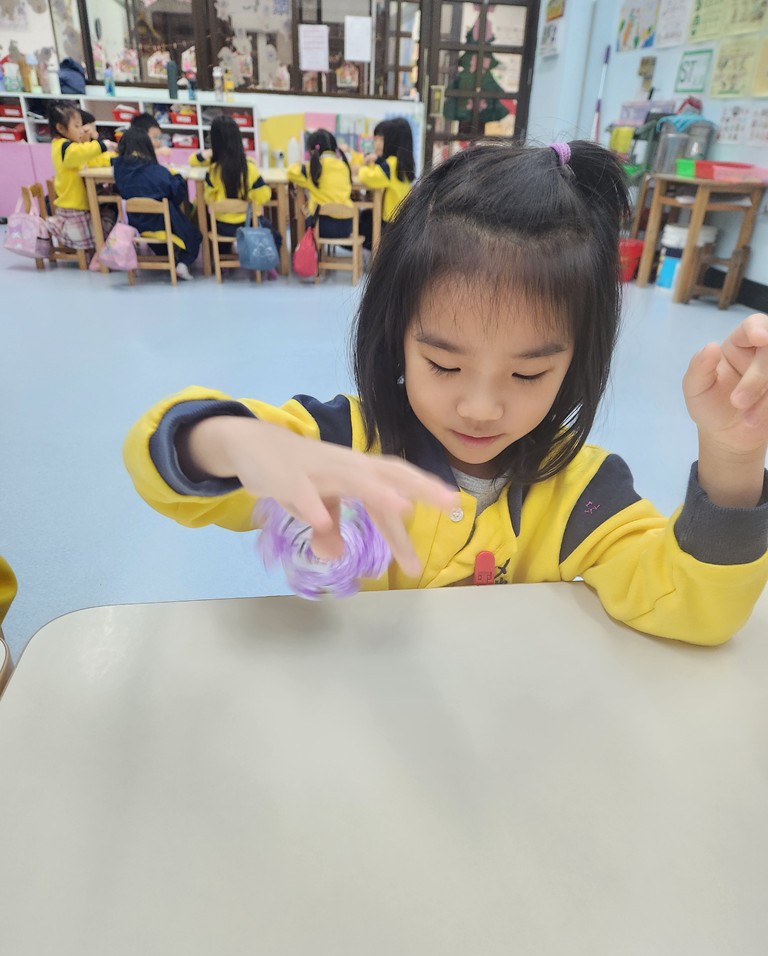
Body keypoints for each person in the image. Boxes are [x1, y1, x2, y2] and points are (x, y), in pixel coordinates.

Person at [123, 140, 768, 646]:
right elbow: (157, 468)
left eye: (527, 375)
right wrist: (231, 441)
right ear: (396, 336)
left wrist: (734, 459)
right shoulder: (339, 447)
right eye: (443, 364)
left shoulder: (582, 493)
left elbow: (689, 608)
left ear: (577, 362)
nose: (480, 408)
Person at [189, 115, 279, 276]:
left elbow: (208, 197)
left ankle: (222, 262)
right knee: (275, 234)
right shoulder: (249, 167)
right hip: (249, 224)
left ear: (214, 141)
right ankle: (266, 259)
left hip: (222, 226)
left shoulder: (213, 170)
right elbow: (264, 195)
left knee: (210, 226)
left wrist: (209, 154)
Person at [113, 126, 201, 280]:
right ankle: (183, 264)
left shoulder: (118, 168)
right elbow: (176, 194)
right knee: (194, 235)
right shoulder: (156, 171)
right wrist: (178, 177)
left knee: (164, 241)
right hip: (160, 223)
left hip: (135, 223)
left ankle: (168, 258)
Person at [48, 99, 117, 251]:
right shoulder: (63, 147)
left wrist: (113, 159)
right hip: (72, 208)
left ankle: (96, 251)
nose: (81, 131)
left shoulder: (72, 148)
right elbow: (83, 152)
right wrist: (102, 145)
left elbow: (91, 160)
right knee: (100, 231)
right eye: (76, 126)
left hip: (81, 206)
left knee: (108, 212)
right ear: (60, 128)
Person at [357, 117, 415, 249]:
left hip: (390, 222)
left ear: (391, 141)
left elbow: (367, 177)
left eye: (382, 139)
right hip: (401, 219)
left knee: (362, 225)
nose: (377, 144)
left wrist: (363, 166)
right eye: (376, 140)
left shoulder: (391, 165)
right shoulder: (403, 164)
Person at [286, 129, 353, 240]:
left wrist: (298, 164)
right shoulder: (344, 166)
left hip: (321, 226)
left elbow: (290, 172)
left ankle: (308, 249)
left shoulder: (312, 168)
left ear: (312, 150)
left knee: (304, 214)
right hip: (346, 226)